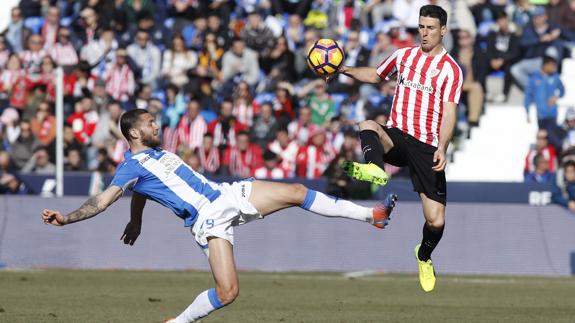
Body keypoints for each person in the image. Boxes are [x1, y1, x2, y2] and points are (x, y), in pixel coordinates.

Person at [41, 109, 398, 323]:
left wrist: (137, 220)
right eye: (150, 123)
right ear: (134, 132)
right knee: (228, 293)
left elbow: (142, 191)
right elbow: (103, 201)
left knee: (296, 192)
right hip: (208, 220)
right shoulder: (129, 166)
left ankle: (372, 215)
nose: (157, 125)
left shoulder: (157, 155)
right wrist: (66, 218)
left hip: (227, 193)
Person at [336, 5, 463, 292]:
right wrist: (344, 69)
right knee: (368, 124)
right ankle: (375, 169)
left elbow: (449, 113)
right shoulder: (404, 56)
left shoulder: (451, 70)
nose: (424, 33)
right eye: (421, 26)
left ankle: (423, 255)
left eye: (430, 28)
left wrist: (443, 146)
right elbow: (375, 75)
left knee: (436, 221)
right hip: (398, 136)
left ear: (443, 30)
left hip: (428, 146)